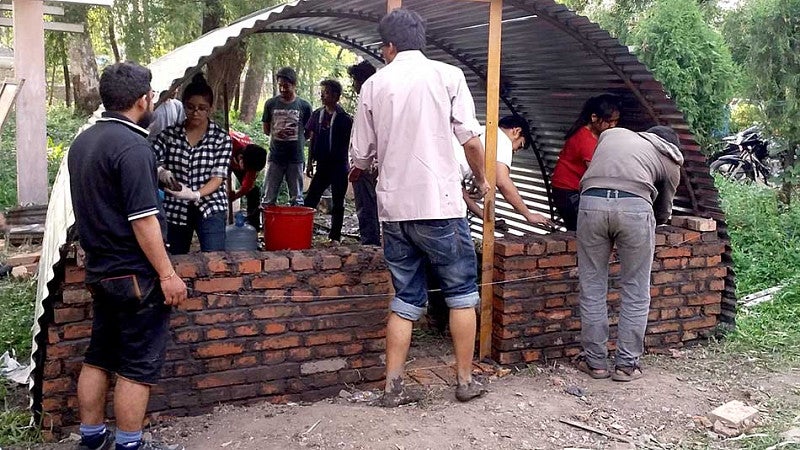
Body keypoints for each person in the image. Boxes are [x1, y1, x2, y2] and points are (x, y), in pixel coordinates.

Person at [350, 8, 490, 406]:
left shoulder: (374, 85)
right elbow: (471, 142)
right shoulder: (448, 77)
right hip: (441, 206)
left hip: (394, 210)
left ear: (388, 46)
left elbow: (360, 155)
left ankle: (392, 387)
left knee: (406, 298)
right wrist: (481, 180)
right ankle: (464, 382)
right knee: (461, 292)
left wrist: (358, 171)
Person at [68, 62, 187, 450]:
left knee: (100, 355)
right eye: (151, 95)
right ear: (143, 99)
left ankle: (92, 439)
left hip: (100, 269)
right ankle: (130, 444)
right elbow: (143, 220)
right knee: (136, 366)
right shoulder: (134, 146)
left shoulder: (84, 142)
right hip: (135, 275)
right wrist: (167, 274)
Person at [574, 125, 683, 382]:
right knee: (635, 289)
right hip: (635, 208)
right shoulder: (670, 160)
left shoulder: (613, 134)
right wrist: (651, 221)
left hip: (591, 203)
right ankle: (626, 365)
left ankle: (595, 363)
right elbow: (664, 209)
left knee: (592, 287)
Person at [153, 74, 232, 254]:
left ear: (210, 109)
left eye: (202, 108)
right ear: (184, 106)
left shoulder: (220, 138)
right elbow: (149, 155)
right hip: (176, 206)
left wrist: (195, 194)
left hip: (210, 205)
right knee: (175, 258)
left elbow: (218, 177)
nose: (196, 112)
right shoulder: (170, 134)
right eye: (190, 107)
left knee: (214, 259)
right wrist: (161, 171)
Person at [456, 115, 553, 228]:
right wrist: (528, 214)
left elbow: (458, 191)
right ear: (516, 131)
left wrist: (486, 217)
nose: (515, 151)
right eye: (520, 145)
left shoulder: (482, 132)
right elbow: (502, 181)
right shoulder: (502, 139)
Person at [550, 94, 622, 231]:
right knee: (582, 230)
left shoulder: (594, 134)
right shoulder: (585, 139)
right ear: (594, 117)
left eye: (616, 121)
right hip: (567, 191)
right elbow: (597, 172)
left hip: (569, 189)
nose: (613, 126)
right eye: (609, 121)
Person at [304, 79, 353, 242]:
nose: (322, 96)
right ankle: (304, 232)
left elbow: (350, 144)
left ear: (336, 96)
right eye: (322, 92)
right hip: (322, 166)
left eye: (326, 93)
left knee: (338, 202)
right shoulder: (317, 114)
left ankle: (335, 236)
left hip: (339, 166)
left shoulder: (345, 119)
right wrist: (310, 162)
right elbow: (312, 138)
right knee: (310, 199)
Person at [261, 67, 313, 206]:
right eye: (280, 86)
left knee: (297, 198)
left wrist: (299, 139)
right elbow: (266, 129)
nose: (283, 89)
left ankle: (295, 226)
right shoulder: (271, 104)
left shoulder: (304, 106)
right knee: (268, 197)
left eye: (286, 86)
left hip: (296, 158)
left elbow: (309, 132)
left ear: (294, 85)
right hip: (275, 157)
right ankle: (267, 225)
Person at [347, 60, 380, 246]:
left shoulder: (369, 100)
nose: (354, 86)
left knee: (367, 207)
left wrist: (359, 167)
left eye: (355, 81)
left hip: (367, 167)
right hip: (370, 166)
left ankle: (370, 244)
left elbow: (367, 138)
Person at [228, 130, 267, 230]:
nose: (249, 173)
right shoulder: (227, 143)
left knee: (253, 192)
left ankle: (253, 227)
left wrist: (234, 196)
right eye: (247, 170)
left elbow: (246, 187)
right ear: (240, 158)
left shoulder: (253, 158)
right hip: (224, 158)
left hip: (239, 159)